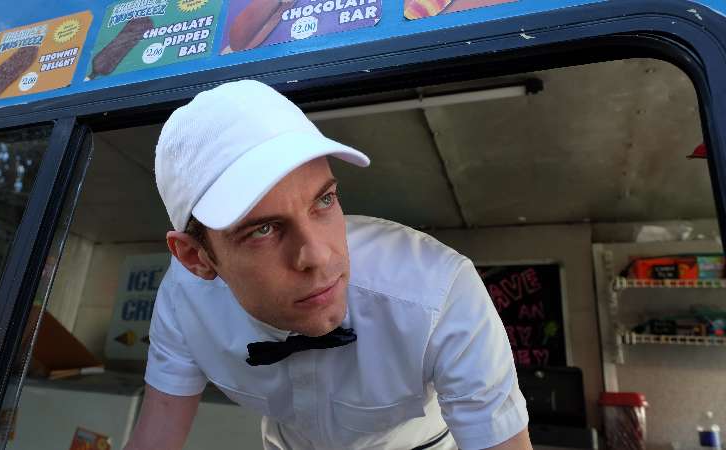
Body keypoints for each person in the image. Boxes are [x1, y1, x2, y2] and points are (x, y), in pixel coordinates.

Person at [124, 79, 532, 450]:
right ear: (196, 258)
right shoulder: (183, 301)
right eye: (262, 229)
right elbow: (155, 439)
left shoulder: (439, 290)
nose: (318, 256)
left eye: (324, 200)